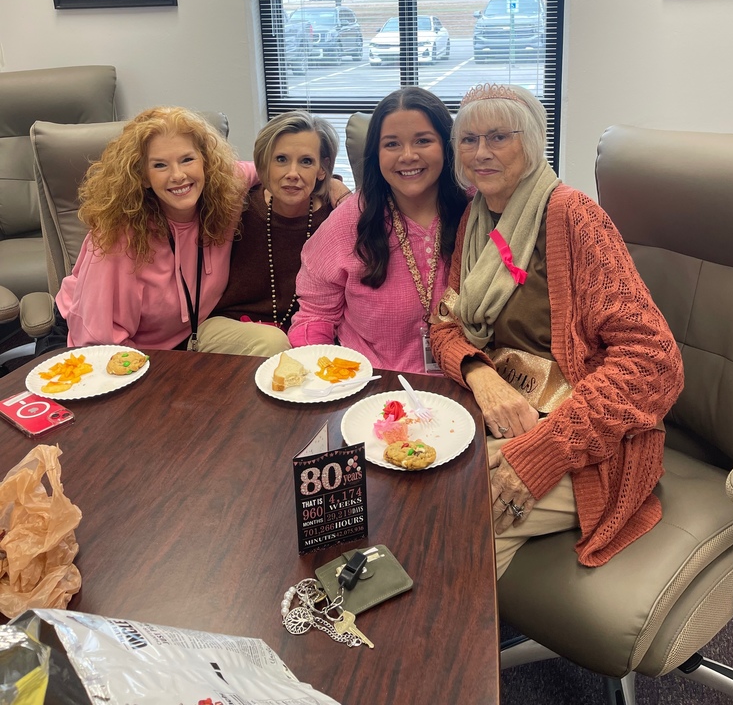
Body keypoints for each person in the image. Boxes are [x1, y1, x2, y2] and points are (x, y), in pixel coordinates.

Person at [430, 83, 684, 578]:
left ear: (530, 143)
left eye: (499, 137)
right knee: (409, 479)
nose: (481, 153)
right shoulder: (476, 220)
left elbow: (654, 362)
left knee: (454, 516)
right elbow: (445, 325)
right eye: (469, 139)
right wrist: (482, 377)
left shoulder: (575, 217)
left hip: (587, 440)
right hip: (500, 413)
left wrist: (543, 452)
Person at [289, 87, 467, 372]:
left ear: (447, 146)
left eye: (423, 141)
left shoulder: (477, 210)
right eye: (392, 144)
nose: (407, 155)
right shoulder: (348, 221)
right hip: (371, 382)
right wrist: (324, 377)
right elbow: (314, 316)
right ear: (376, 153)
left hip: (467, 379)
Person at [54, 107, 256, 351]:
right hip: (94, 340)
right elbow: (98, 341)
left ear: (207, 162)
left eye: (187, 159)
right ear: (142, 177)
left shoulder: (226, 191)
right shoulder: (119, 237)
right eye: (160, 165)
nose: (178, 175)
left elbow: (268, 170)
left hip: (183, 337)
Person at [194, 110, 340, 358]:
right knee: (274, 342)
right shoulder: (237, 204)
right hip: (228, 326)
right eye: (281, 159)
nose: (292, 173)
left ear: (322, 169)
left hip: (305, 332)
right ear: (264, 164)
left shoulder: (335, 218)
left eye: (306, 161)